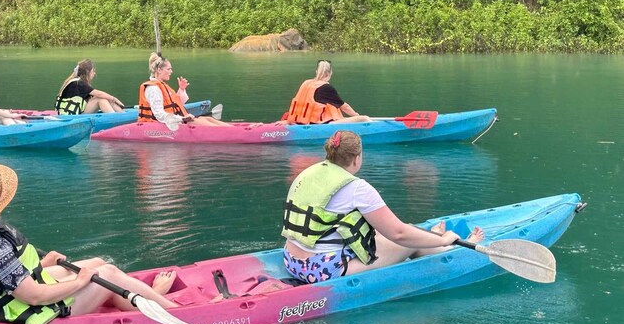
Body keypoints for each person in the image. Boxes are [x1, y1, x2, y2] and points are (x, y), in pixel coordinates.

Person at [0, 162, 178, 324]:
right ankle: (175, 311)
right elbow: (33, 296)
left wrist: (41, 265)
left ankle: (149, 299)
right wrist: (81, 283)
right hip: (13, 311)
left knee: (97, 262)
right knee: (107, 274)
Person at [281, 131, 484, 283]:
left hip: (291, 259)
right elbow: (399, 234)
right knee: (409, 237)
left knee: (394, 233)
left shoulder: (308, 174)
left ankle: (432, 240)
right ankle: (447, 246)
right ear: (357, 157)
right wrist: (443, 237)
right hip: (320, 270)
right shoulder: (356, 188)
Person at [138, 52, 231, 127]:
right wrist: (181, 119)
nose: (171, 72)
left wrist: (181, 89)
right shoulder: (153, 88)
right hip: (161, 124)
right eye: (168, 69)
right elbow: (159, 115)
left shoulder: (162, 86)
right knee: (202, 122)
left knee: (207, 119)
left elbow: (176, 105)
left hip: (176, 120)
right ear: (159, 70)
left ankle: (234, 129)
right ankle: (232, 133)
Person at [285, 60, 370, 124]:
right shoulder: (326, 88)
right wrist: (357, 116)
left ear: (316, 72)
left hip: (298, 122)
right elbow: (345, 107)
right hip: (317, 124)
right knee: (364, 119)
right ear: (330, 73)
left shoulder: (306, 83)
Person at [55, 59, 125, 115]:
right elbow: (99, 94)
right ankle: (115, 119)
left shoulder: (78, 82)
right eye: (93, 71)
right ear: (87, 72)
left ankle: (123, 114)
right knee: (101, 99)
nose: (94, 73)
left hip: (77, 112)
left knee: (104, 98)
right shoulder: (78, 83)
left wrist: (111, 99)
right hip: (69, 116)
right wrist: (114, 99)